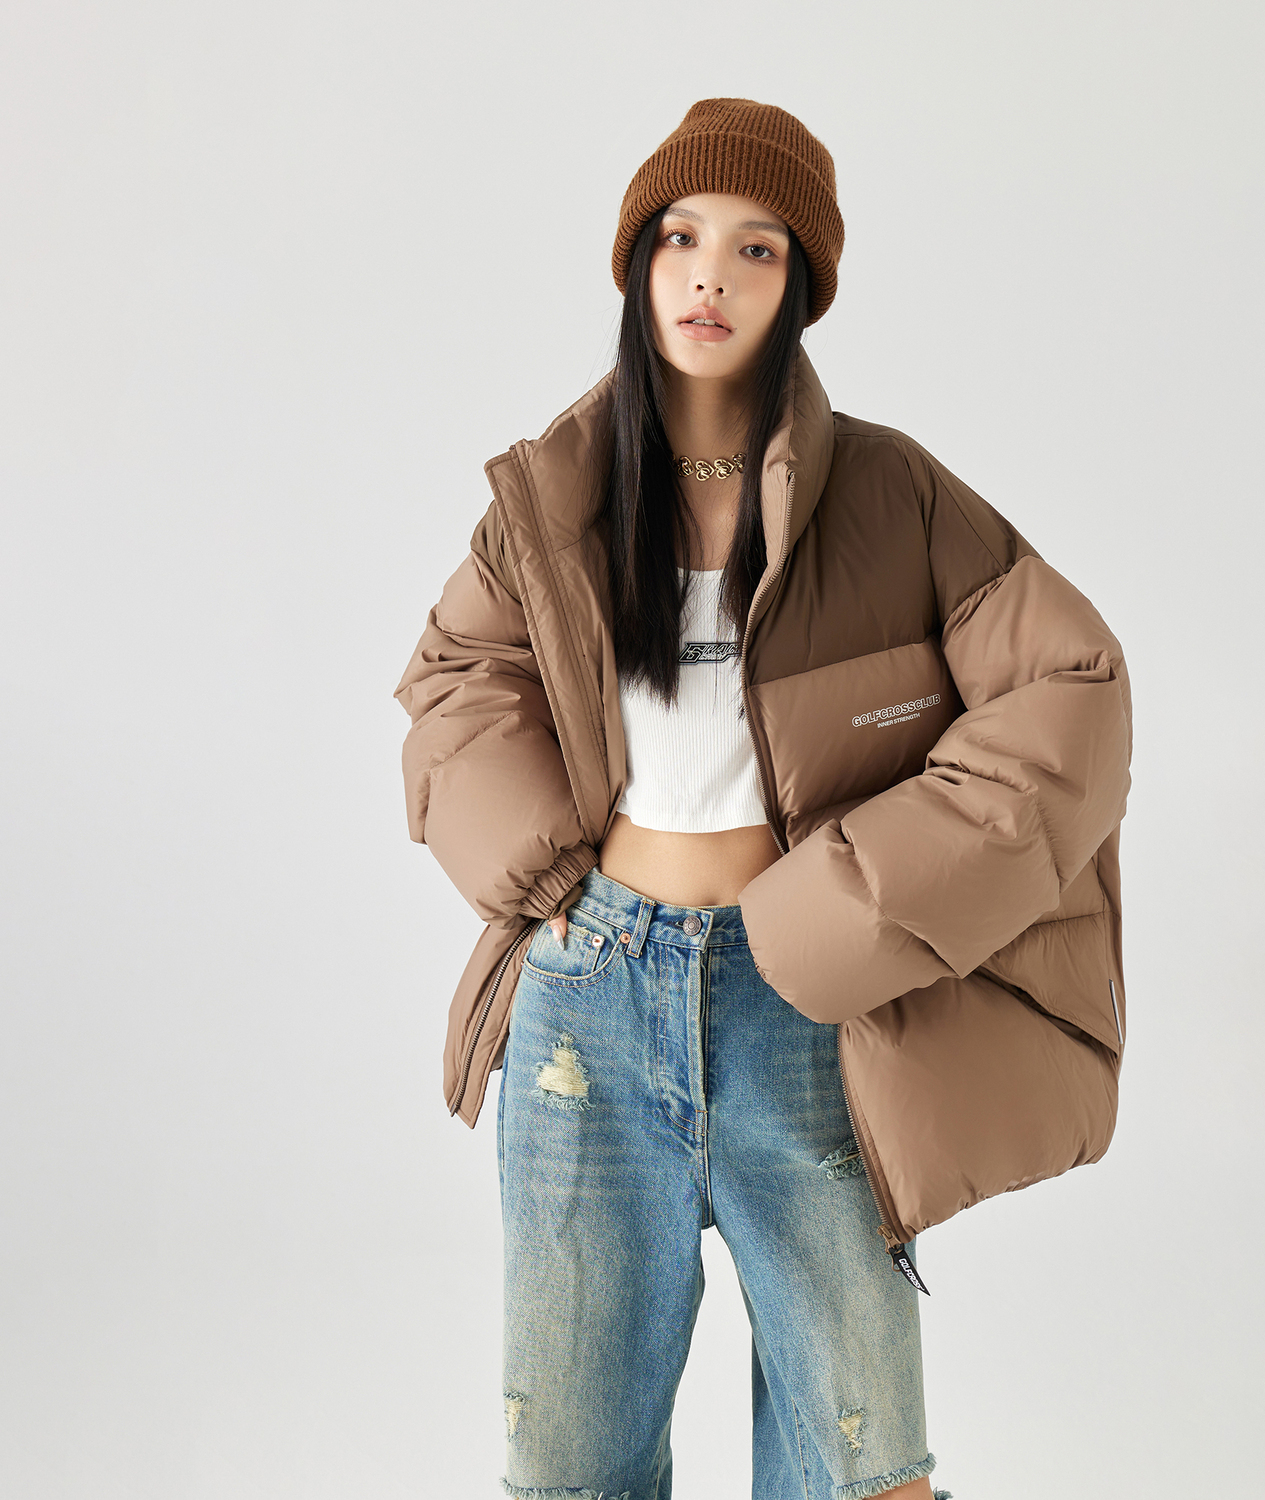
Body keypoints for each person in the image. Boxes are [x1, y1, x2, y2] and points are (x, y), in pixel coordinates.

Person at [393, 98, 1132, 1500]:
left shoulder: (896, 493)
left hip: (809, 1008)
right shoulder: (553, 496)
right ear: (637, 265)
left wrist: (857, 899)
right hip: (586, 1000)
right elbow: (457, 679)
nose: (709, 277)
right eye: (679, 239)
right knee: (567, 1471)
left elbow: (1072, 689)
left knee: (865, 1467)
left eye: (755, 247)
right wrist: (539, 874)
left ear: (801, 284)